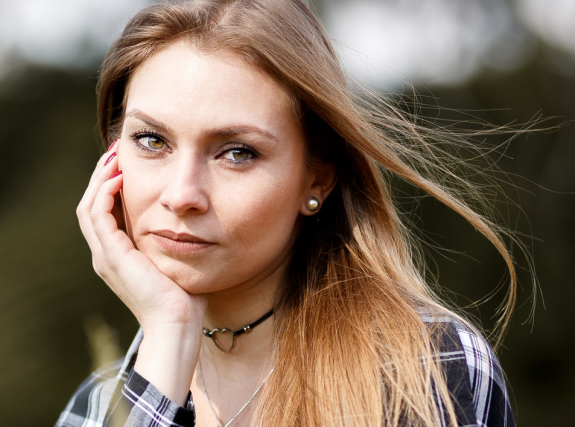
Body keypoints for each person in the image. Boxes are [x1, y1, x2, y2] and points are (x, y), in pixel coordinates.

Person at [59, 1, 522, 426]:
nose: (182, 196)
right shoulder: (98, 407)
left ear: (316, 180)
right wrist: (168, 336)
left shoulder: (427, 368)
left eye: (237, 153)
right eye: (152, 141)